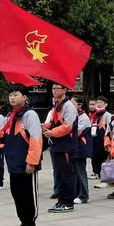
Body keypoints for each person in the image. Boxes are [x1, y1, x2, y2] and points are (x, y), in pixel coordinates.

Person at [0, 85, 42, 226]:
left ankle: (31, 224)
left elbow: (36, 139)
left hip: (26, 163)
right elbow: (2, 135)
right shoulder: (11, 115)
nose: (12, 97)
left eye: (16, 94)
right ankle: (23, 222)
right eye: (10, 95)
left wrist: (32, 162)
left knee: (27, 193)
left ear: (24, 97)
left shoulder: (30, 115)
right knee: (17, 193)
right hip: (13, 162)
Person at [42, 84, 78, 213]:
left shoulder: (69, 106)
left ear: (65, 90)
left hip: (66, 145)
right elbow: (52, 122)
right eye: (53, 88)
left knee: (67, 174)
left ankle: (68, 202)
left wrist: (52, 132)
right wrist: (44, 126)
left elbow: (67, 126)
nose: (54, 90)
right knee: (60, 174)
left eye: (57, 88)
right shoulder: (56, 105)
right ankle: (61, 200)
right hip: (57, 145)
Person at [71, 96, 92, 204]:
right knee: (75, 172)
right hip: (75, 148)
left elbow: (76, 132)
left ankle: (84, 195)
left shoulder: (83, 118)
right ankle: (77, 193)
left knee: (81, 172)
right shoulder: (75, 116)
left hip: (80, 149)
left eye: (72, 103)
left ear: (79, 105)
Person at [91, 95, 112, 188]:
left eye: (101, 102)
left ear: (106, 104)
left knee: (104, 159)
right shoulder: (94, 115)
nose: (98, 104)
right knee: (95, 159)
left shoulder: (108, 115)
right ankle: (100, 176)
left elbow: (109, 129)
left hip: (103, 139)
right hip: (95, 139)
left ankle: (105, 179)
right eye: (97, 102)